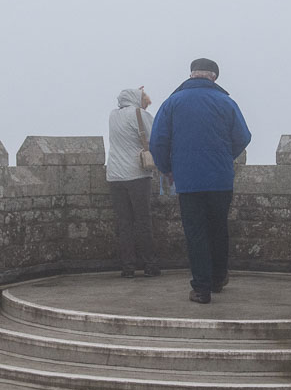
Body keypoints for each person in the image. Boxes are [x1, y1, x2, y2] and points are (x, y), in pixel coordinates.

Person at [149, 58, 251, 303]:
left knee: (196, 233)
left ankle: (202, 289)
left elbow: (157, 142)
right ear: (213, 77)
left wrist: (167, 168)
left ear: (191, 75)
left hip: (188, 180)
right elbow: (243, 137)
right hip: (220, 179)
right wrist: (225, 157)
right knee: (218, 229)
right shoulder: (226, 102)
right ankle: (218, 278)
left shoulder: (172, 103)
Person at [106, 87, 161, 278]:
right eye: (143, 97)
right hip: (137, 174)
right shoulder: (140, 114)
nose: (147, 99)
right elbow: (156, 137)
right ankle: (150, 265)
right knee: (143, 221)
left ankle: (128, 267)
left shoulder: (113, 115)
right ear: (136, 99)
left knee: (124, 223)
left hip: (114, 176)